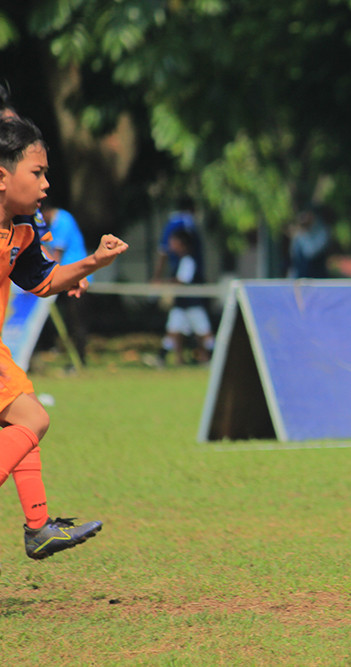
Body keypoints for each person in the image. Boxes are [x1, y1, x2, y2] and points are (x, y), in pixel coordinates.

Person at [0, 115, 129, 560]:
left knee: (26, 416)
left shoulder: (22, 227)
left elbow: (42, 279)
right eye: (37, 173)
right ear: (2, 177)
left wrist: (92, 261)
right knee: (30, 420)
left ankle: (39, 527)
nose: (46, 184)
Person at [39, 199, 91, 364]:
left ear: (45, 211)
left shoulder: (63, 221)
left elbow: (56, 256)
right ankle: (56, 351)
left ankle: (79, 360)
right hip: (63, 277)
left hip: (75, 278)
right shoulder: (52, 223)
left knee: (76, 322)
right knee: (60, 319)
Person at [155, 227, 214, 365]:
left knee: (204, 333)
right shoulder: (179, 260)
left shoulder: (188, 260)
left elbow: (182, 281)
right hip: (181, 305)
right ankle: (162, 358)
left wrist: (162, 283)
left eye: (173, 242)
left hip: (193, 304)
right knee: (173, 330)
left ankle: (214, 356)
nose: (170, 245)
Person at [152, 195, 202, 283]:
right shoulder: (186, 222)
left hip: (189, 279)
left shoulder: (172, 223)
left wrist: (157, 278)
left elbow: (163, 252)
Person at [287, 207, 329, 279]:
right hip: (300, 278)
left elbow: (310, 253)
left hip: (317, 279)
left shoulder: (322, 232)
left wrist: (302, 234)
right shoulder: (299, 233)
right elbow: (294, 256)